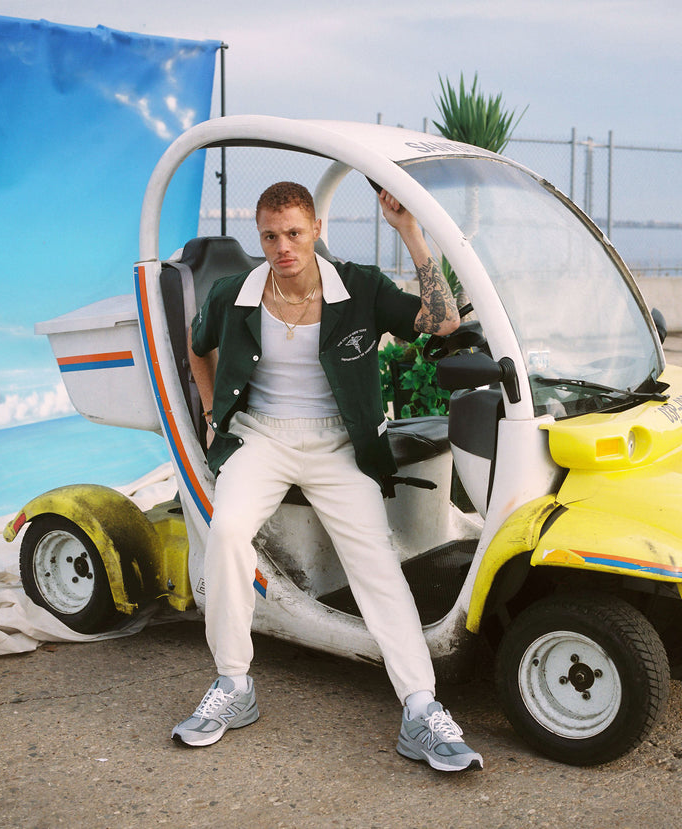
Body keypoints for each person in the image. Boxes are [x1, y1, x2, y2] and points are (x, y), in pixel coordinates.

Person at [173, 181, 482, 772]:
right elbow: (197, 347)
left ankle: (421, 708)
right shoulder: (234, 293)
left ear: (316, 229)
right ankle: (233, 684)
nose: (283, 247)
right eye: (270, 236)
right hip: (262, 437)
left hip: (339, 442)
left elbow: (442, 322)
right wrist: (213, 415)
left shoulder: (359, 286)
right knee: (228, 532)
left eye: (294, 233)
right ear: (259, 236)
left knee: (374, 560)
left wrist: (409, 230)